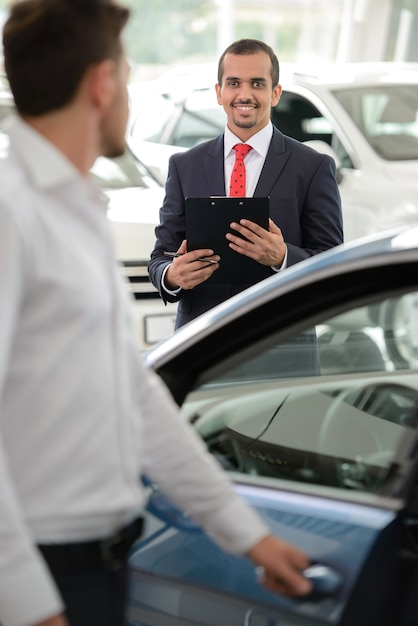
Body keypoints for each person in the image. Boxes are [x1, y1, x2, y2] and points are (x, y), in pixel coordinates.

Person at [0, 3, 313, 626]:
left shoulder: (76, 208)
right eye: (127, 68)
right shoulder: (14, 214)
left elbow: (135, 396)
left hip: (99, 564)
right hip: (44, 577)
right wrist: (28, 601)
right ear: (101, 84)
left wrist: (246, 534)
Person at [148, 38, 343, 329]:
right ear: (219, 92)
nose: (245, 94)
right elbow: (160, 256)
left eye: (257, 84)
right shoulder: (184, 165)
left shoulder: (313, 167)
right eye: (234, 83)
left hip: (282, 338)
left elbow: (334, 265)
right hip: (200, 342)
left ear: (275, 93)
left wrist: (283, 257)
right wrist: (172, 276)